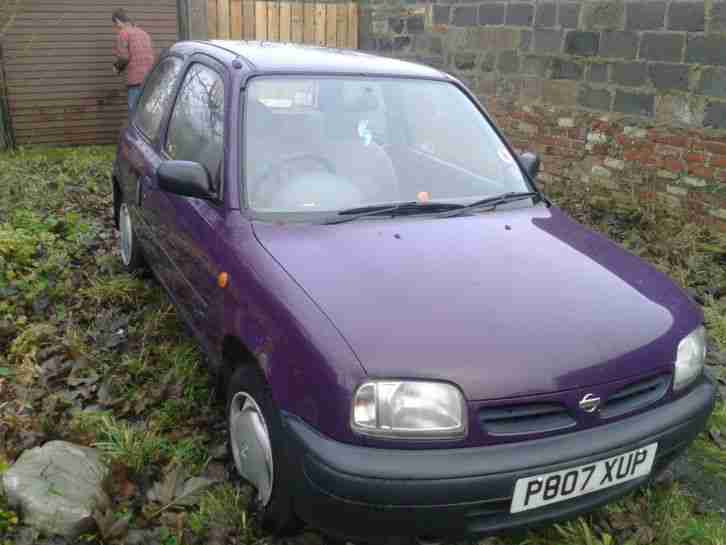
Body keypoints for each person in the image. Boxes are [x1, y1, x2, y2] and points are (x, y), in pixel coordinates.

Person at [112, 9, 155, 111]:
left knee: (134, 113)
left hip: (135, 80)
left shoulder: (123, 33)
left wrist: (116, 67)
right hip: (149, 79)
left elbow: (124, 57)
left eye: (115, 23)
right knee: (146, 112)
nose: (116, 26)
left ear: (118, 21)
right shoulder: (144, 33)